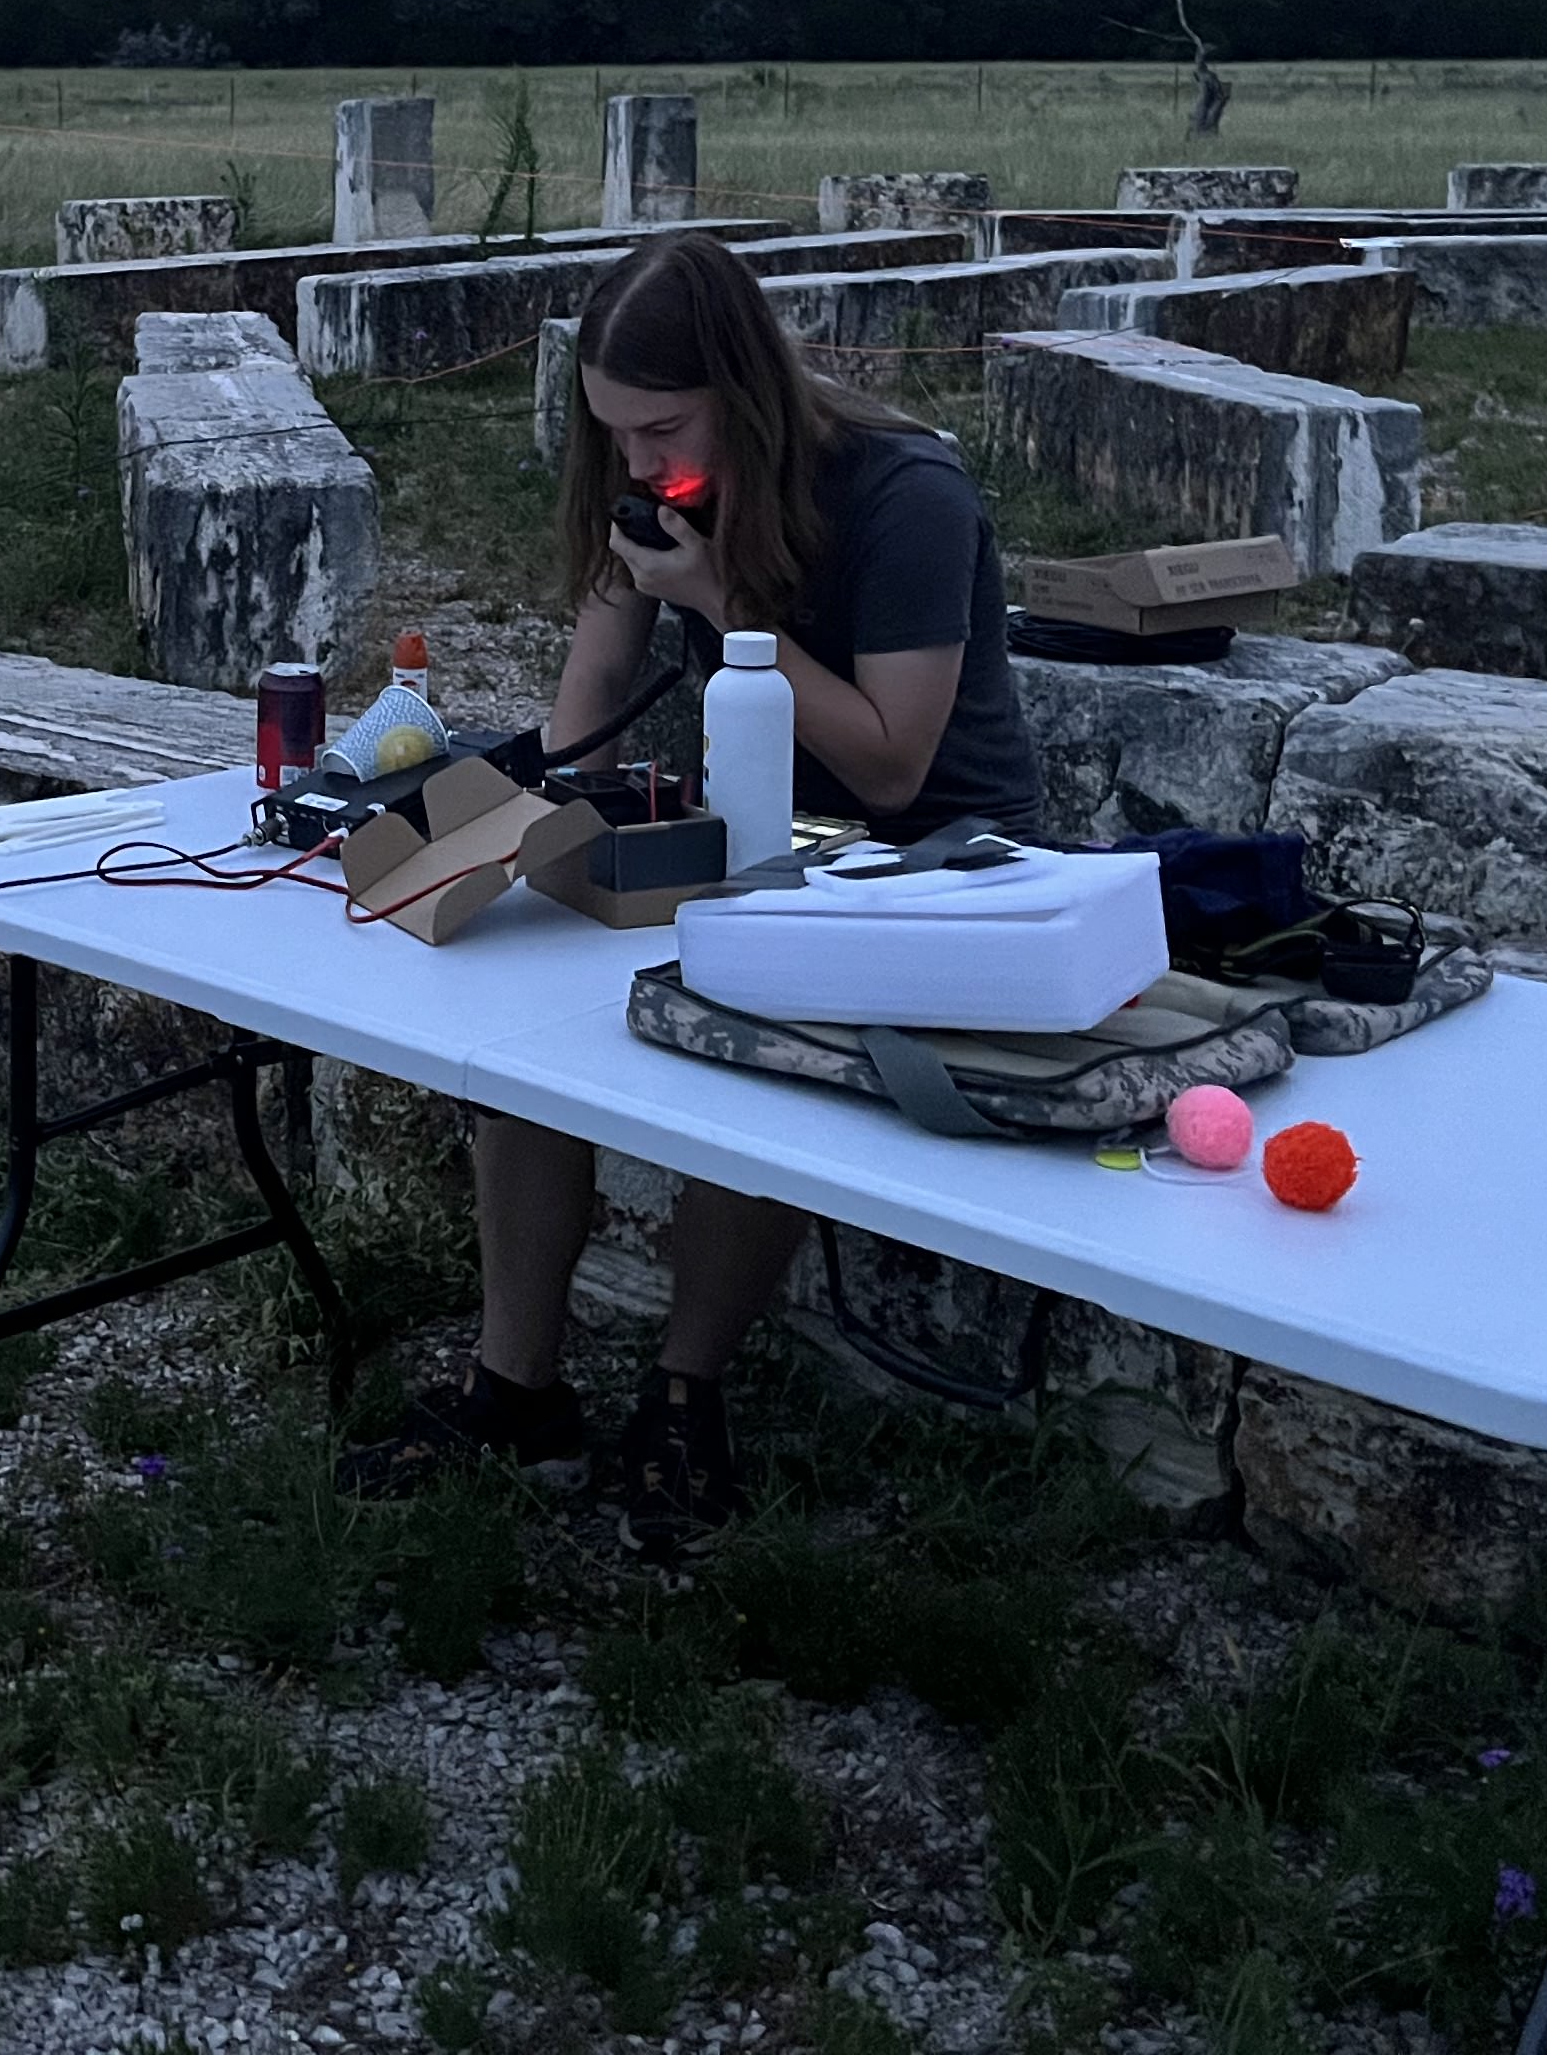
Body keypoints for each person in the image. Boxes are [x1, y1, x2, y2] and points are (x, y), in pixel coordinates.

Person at [384, 230, 1049, 1547]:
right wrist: (536, 824)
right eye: (613, 431)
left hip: (925, 860)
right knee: (524, 1037)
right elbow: (593, 689)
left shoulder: (903, 491)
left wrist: (727, 598)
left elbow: (897, 761)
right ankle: (515, 1387)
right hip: (750, 826)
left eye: (663, 427)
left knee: (755, 1057)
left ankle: (686, 1395)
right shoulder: (643, 473)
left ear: (740, 392)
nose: (638, 461)